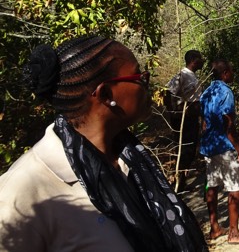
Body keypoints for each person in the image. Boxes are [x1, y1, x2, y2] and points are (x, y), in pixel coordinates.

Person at [0, 35, 208, 252]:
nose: (148, 83)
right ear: (106, 94)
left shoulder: (130, 157)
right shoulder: (22, 192)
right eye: (139, 76)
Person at [199, 59, 239, 245]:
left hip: (209, 146)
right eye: (231, 71)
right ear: (225, 73)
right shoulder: (226, 92)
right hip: (224, 147)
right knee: (235, 187)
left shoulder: (206, 92)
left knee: (212, 184)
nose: (232, 74)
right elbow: (228, 125)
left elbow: (203, 122)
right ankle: (234, 233)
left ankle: (214, 228)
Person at [166, 50, 204, 190]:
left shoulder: (192, 76)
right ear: (194, 60)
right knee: (184, 150)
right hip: (184, 120)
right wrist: (175, 112)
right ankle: (178, 183)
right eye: (200, 59)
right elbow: (168, 93)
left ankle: (181, 181)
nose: (202, 61)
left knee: (190, 150)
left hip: (192, 119)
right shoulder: (182, 75)